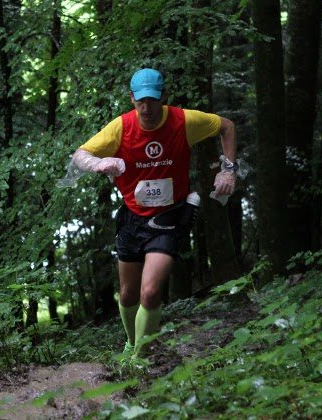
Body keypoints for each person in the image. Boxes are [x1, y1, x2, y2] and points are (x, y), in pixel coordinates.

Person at [70, 68, 237, 356]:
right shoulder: (121, 128)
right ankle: (131, 343)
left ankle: (139, 358)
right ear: (132, 99)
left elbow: (227, 126)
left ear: (163, 98)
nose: (146, 108)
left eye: (152, 100)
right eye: (140, 102)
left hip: (169, 219)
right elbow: (80, 154)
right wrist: (97, 165)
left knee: (149, 292)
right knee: (128, 294)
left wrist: (229, 170)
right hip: (132, 219)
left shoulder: (184, 121)